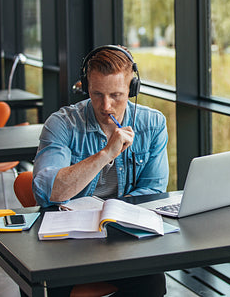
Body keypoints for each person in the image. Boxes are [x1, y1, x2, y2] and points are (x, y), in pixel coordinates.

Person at [32, 45, 168, 297]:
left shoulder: (153, 123)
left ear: (132, 88)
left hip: (122, 237)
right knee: (43, 285)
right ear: (86, 88)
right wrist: (106, 153)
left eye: (116, 95)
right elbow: (48, 192)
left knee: (152, 283)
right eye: (97, 94)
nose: (106, 106)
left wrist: (112, 215)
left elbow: (154, 191)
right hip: (67, 242)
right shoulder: (61, 124)